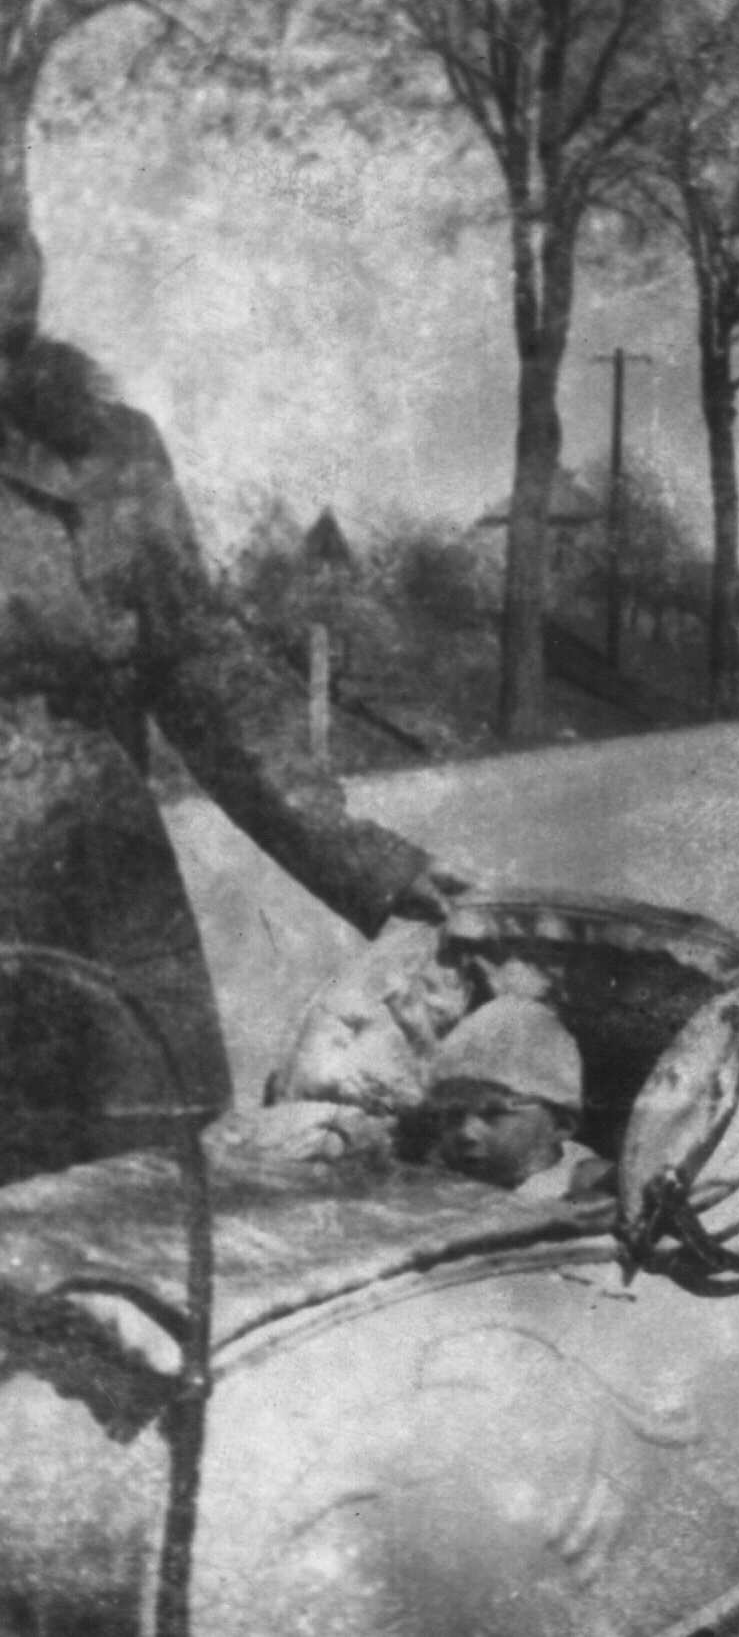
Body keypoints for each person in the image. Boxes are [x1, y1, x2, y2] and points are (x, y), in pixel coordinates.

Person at [0, 223, 460, 1183]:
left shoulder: (112, 452)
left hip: (106, 890)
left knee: (152, 1193)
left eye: (9, 238)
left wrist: (365, 861)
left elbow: (202, 670)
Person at [422, 998, 611, 1200]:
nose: (466, 1132)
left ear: (560, 1126)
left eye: (493, 1114)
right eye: (454, 1115)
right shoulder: (444, 1175)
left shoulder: (581, 1186)